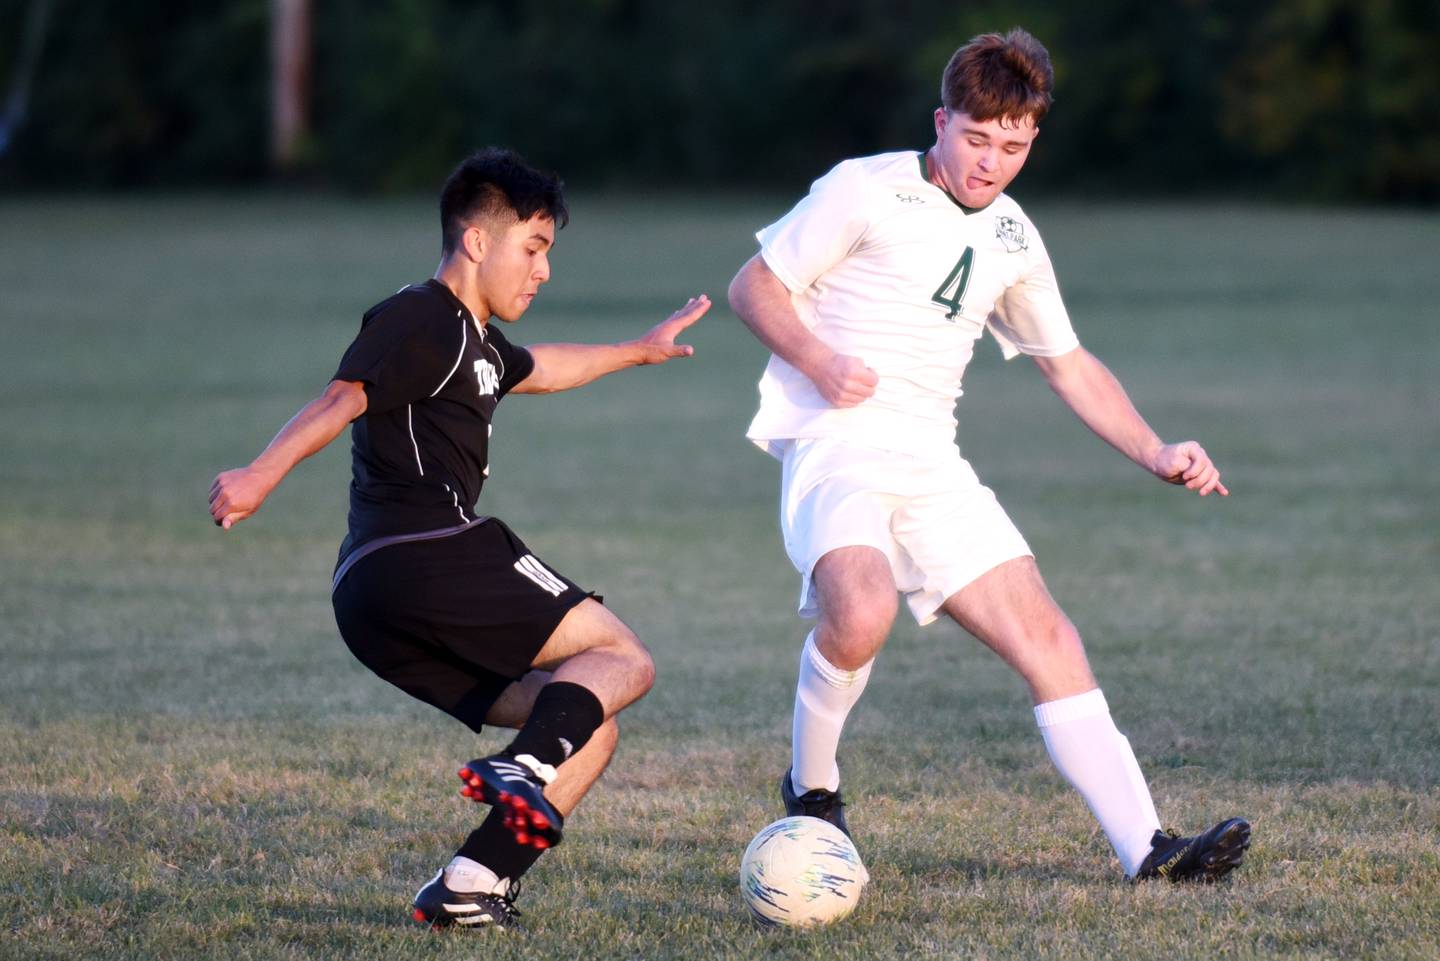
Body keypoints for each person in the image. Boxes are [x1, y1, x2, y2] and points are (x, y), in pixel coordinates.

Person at [727, 29, 1249, 883]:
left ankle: (1148, 850)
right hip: (836, 445)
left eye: (1012, 147)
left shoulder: (1014, 236)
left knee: (1050, 636)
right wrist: (821, 362)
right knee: (860, 614)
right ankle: (812, 787)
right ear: (942, 120)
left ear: (1033, 139)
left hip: (933, 461)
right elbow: (755, 285)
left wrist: (1155, 448)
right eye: (975, 140)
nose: (990, 163)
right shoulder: (864, 188)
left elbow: (1068, 364)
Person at [208, 148, 709, 928]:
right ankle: (520, 765)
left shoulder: (476, 343)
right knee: (625, 658)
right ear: (478, 241)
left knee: (590, 726)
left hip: (372, 600)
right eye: (533, 248)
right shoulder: (421, 315)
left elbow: (546, 367)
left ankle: (472, 883)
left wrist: (637, 350)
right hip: (424, 545)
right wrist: (261, 474)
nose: (543, 271)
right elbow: (345, 394)